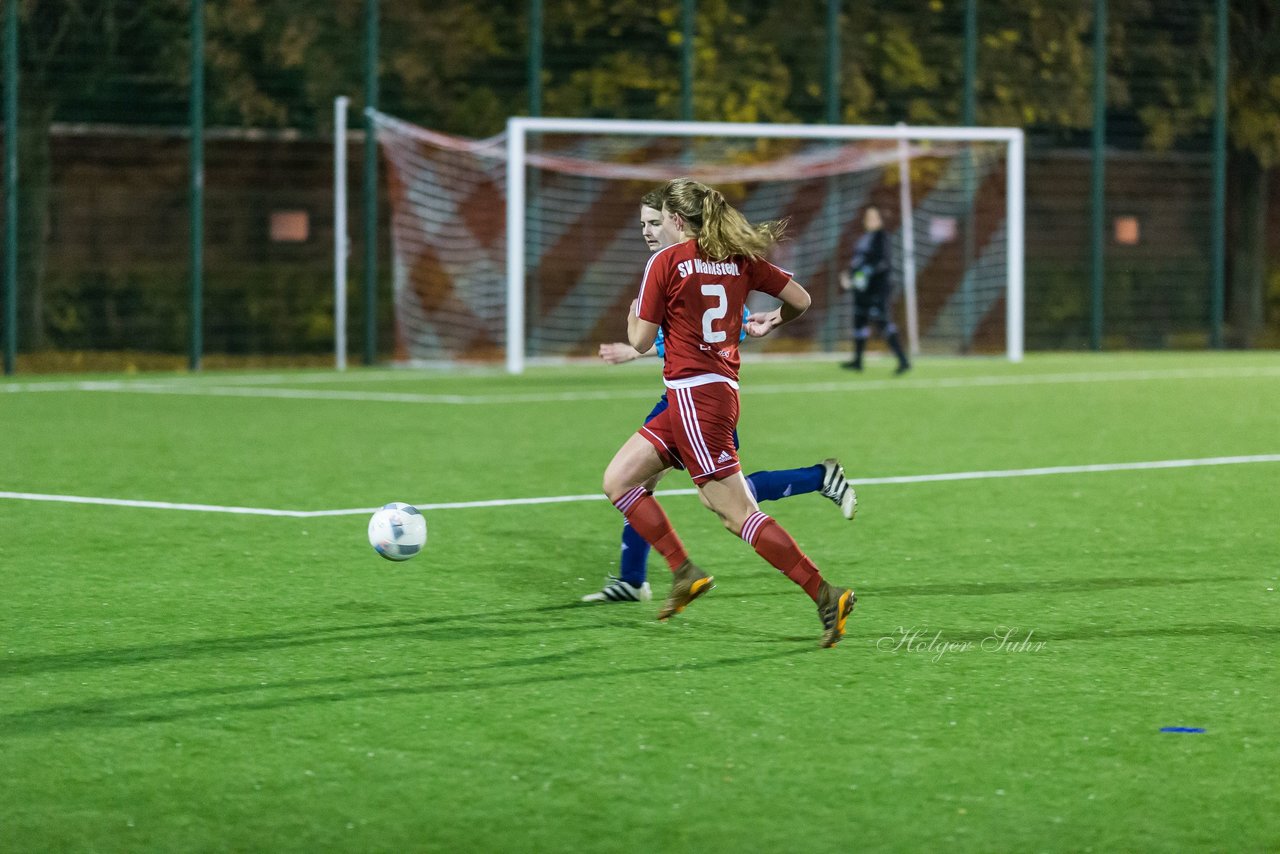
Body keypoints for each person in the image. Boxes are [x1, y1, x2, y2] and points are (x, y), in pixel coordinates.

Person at [601, 177, 857, 648]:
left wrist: (635, 312)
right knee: (619, 481)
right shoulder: (739, 259)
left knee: (737, 514)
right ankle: (683, 572)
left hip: (695, 400)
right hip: (704, 396)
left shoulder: (666, 261)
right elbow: (800, 299)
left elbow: (640, 341)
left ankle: (825, 593)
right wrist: (774, 319)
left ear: (677, 220)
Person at [839, 204, 910, 374]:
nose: (869, 220)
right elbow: (858, 262)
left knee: (882, 322)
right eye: (867, 217)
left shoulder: (881, 237)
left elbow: (882, 262)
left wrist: (863, 275)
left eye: (873, 217)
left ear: (880, 220)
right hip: (862, 290)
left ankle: (903, 360)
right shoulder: (864, 238)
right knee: (859, 322)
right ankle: (857, 361)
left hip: (877, 289)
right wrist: (849, 275)